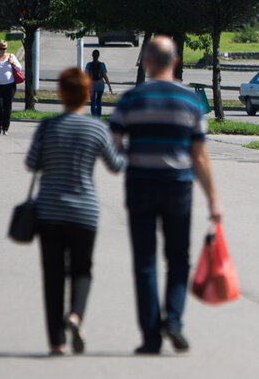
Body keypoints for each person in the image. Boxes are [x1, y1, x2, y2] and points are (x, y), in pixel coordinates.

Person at [110, 35, 223, 355]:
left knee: (144, 262)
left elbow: (113, 147)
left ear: (146, 62)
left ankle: (150, 337)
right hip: (178, 186)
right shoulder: (191, 102)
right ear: (175, 61)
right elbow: (199, 155)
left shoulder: (130, 100)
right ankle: (173, 319)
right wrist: (213, 199)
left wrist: (126, 161)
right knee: (178, 259)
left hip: (140, 185)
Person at [26, 68, 126, 356]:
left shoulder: (47, 126)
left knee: (53, 275)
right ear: (86, 94)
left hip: (49, 211)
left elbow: (32, 163)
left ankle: (56, 341)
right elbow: (116, 166)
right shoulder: (96, 128)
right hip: (84, 212)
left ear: (60, 94)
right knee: (82, 269)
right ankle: (76, 315)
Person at [0, 40, 22, 135]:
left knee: (7, 106)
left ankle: (5, 128)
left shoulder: (11, 57)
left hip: (10, 85)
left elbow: (19, 68)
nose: (3, 51)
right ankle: (0, 124)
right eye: (1, 49)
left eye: (5, 48)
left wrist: (12, 63)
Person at [85, 50, 113, 117]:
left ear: (92, 55)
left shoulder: (88, 65)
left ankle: (94, 116)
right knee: (99, 101)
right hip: (100, 84)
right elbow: (105, 76)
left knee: (93, 102)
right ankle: (98, 116)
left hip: (92, 85)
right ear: (98, 56)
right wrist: (109, 85)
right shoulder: (102, 65)